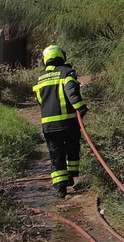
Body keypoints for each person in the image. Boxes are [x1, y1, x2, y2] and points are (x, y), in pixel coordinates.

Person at [33, 44, 87, 197]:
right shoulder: (66, 73)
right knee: (71, 149)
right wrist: (81, 108)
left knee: (56, 155)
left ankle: (60, 187)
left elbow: (39, 100)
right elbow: (72, 93)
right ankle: (70, 177)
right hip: (69, 122)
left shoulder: (40, 79)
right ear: (62, 56)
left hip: (49, 125)